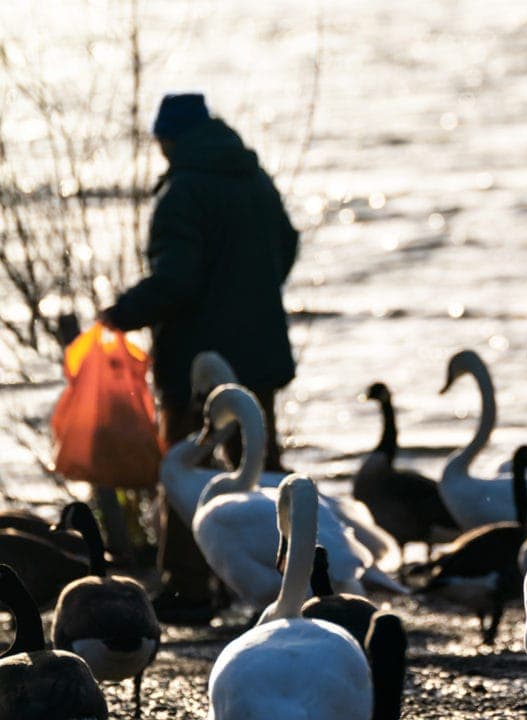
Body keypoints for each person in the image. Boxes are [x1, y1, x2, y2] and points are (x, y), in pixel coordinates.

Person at [101, 93, 298, 623]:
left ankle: (189, 588)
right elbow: (287, 243)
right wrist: (252, 298)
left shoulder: (183, 191)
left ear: (168, 138)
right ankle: (298, 576)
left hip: (196, 361)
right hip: (258, 351)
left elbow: (178, 280)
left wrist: (122, 313)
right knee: (264, 467)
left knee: (186, 468)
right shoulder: (251, 176)